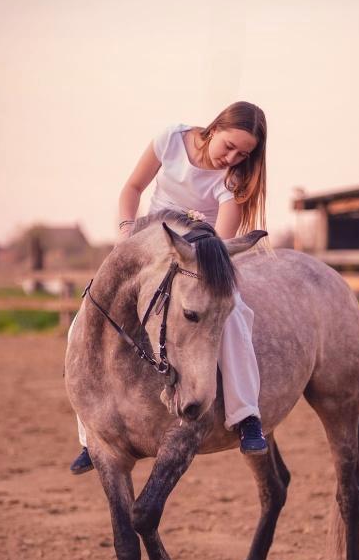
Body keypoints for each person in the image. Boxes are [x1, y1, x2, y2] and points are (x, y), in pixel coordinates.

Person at [70, 101, 269, 475]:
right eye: (229, 146)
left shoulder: (233, 181)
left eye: (243, 154)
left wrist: (197, 262)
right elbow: (132, 187)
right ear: (214, 128)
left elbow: (218, 244)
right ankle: (89, 436)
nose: (233, 158)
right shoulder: (170, 139)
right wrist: (128, 230)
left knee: (234, 316)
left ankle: (247, 416)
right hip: (147, 243)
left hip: (196, 252)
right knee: (85, 318)